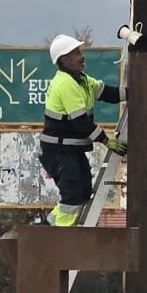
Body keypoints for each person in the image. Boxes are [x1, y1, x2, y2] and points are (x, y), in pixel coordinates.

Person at [39, 35, 128, 226]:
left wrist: (136, 91)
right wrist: (107, 141)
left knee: (83, 192)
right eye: (77, 52)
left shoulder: (83, 80)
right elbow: (80, 122)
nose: (82, 56)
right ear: (65, 60)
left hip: (71, 150)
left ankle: (46, 229)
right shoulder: (66, 83)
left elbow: (108, 93)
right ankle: (58, 239)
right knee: (72, 196)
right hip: (58, 152)